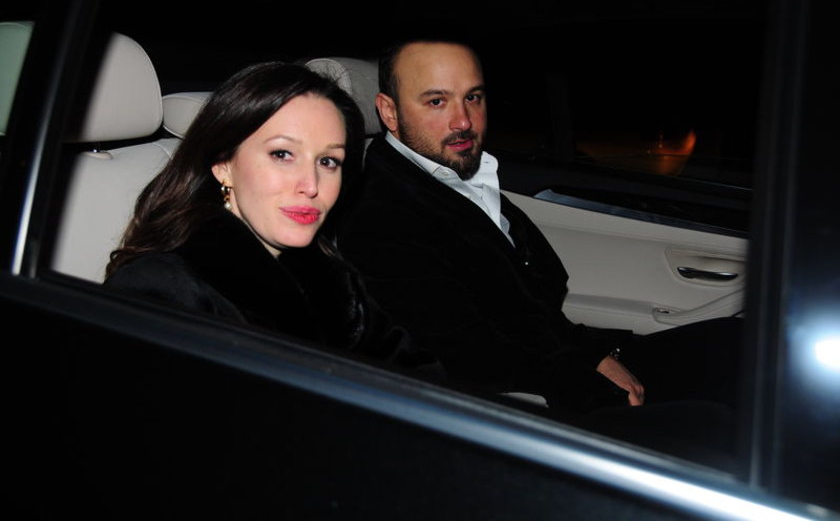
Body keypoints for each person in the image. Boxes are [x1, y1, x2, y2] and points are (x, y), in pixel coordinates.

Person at [336, 39, 744, 464]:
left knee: (734, 346)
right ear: (388, 112)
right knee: (714, 429)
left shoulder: (458, 175)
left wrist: (594, 353)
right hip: (517, 403)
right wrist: (593, 384)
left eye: (473, 97)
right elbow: (465, 356)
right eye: (436, 101)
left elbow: (529, 303)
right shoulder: (379, 213)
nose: (464, 120)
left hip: (556, 353)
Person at [105, 62, 404, 359]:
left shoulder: (333, 279)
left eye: (328, 161)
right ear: (223, 165)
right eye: (282, 154)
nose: (311, 185)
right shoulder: (163, 289)